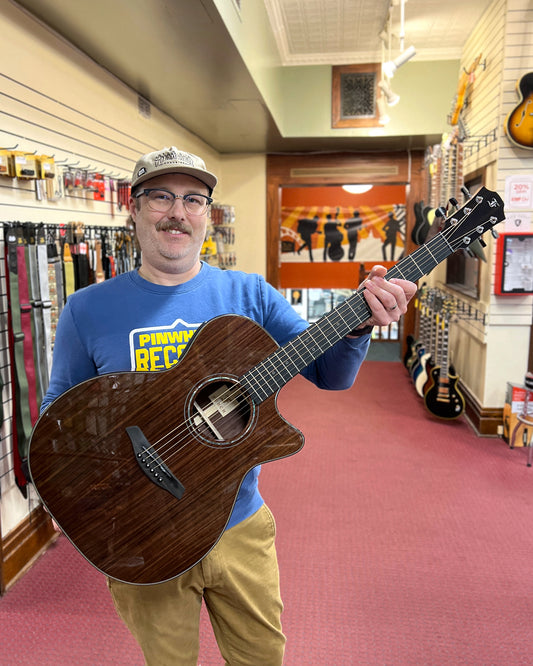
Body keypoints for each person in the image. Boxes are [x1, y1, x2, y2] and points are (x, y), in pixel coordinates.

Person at [40, 146, 417, 666]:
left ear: (207, 214)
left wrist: (357, 324)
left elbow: (330, 375)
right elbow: (59, 416)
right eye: (162, 197)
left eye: (194, 199)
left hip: (238, 524)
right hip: (142, 530)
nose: (179, 212)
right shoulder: (87, 309)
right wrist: (73, 496)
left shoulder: (250, 296)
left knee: (262, 658)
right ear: (134, 206)